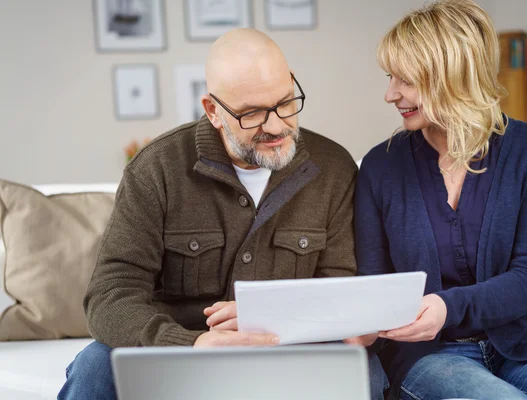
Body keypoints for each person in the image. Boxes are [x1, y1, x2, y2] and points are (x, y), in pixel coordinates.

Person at [58, 28, 359, 399]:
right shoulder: (156, 169)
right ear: (213, 111)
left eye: (285, 102)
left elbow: (342, 286)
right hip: (178, 349)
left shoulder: (335, 168)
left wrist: (276, 318)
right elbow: (110, 294)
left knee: (368, 375)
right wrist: (189, 344)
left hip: (294, 344)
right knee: (93, 367)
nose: (277, 125)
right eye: (251, 114)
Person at [349, 1, 527, 399]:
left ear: (453, 76)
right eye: (390, 77)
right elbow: (373, 284)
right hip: (431, 354)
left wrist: (448, 307)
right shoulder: (380, 167)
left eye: (405, 80)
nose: (390, 94)